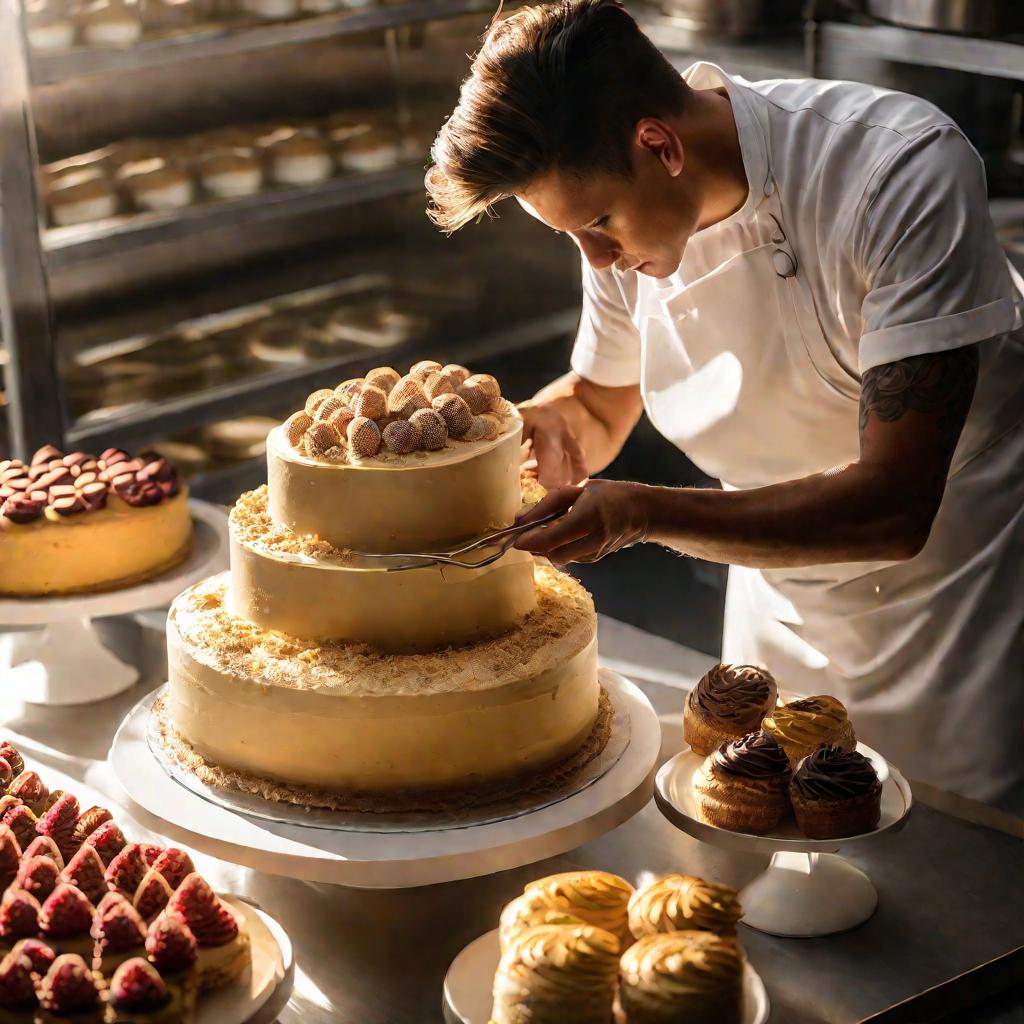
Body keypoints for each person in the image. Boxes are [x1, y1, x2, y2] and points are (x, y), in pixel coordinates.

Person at [425, 0, 1024, 813]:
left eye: (597, 223)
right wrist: (549, 425)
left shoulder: (895, 170)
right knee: (768, 857)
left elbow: (894, 508)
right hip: (773, 611)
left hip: (954, 613)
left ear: (660, 144)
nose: (597, 257)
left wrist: (637, 513)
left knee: (951, 886)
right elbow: (602, 401)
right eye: (571, 235)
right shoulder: (619, 222)